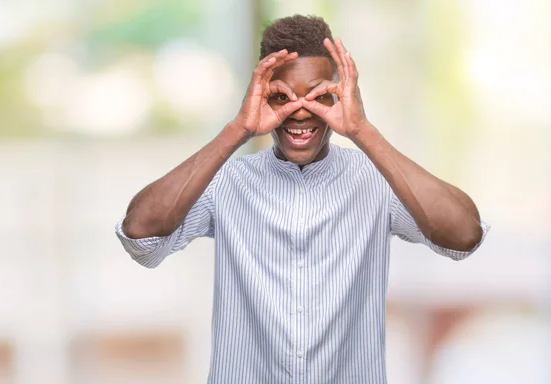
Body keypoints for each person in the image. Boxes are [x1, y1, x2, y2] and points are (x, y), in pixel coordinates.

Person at [115, 15, 489, 384]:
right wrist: (237, 130)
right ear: (260, 95)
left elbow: (463, 235)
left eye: (318, 94)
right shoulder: (226, 181)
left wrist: (362, 130)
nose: (300, 111)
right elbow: (140, 233)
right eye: (282, 96)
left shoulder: (378, 180)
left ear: (339, 94)